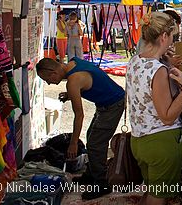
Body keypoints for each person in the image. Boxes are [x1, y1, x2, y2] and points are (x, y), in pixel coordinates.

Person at [35, 57, 125, 200]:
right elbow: (88, 83)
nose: (48, 83)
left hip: (113, 104)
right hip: (106, 103)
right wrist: (70, 95)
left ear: (53, 73)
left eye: (46, 79)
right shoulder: (73, 63)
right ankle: (91, 174)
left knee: (96, 144)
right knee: (91, 136)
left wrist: (73, 143)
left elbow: (79, 115)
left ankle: (102, 183)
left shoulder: (73, 81)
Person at [126, 12, 182, 204]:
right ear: (164, 37)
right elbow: (168, 117)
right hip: (161, 141)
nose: (173, 41)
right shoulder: (158, 70)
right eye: (172, 36)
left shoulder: (135, 61)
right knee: (158, 197)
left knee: (152, 191)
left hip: (140, 139)